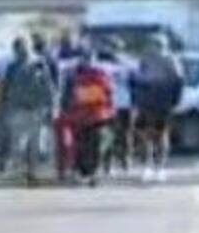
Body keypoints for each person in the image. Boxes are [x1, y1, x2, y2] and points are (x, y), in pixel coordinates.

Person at [0, 36, 56, 183]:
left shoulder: (39, 64)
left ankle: (32, 172)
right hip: (17, 109)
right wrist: (3, 107)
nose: (20, 50)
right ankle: (21, 171)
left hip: (36, 109)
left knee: (35, 144)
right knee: (18, 144)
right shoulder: (12, 66)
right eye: (17, 48)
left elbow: (48, 85)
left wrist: (51, 106)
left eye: (22, 46)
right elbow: (5, 88)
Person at [132, 34, 185, 183]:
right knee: (145, 135)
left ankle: (160, 167)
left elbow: (179, 81)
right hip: (146, 101)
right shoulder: (144, 59)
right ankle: (148, 166)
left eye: (157, 44)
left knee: (161, 135)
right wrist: (137, 96)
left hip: (163, 102)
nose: (154, 47)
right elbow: (137, 79)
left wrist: (175, 100)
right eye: (152, 44)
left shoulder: (171, 60)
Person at [61, 46, 114, 187]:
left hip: (94, 115)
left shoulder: (99, 74)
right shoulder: (75, 75)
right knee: (83, 145)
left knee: (93, 145)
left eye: (90, 57)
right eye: (86, 57)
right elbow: (67, 95)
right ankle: (85, 172)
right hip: (83, 116)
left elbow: (108, 93)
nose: (88, 60)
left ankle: (91, 173)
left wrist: (109, 110)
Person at [94, 38, 134, 175]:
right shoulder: (127, 63)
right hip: (114, 103)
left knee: (120, 134)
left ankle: (121, 161)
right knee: (113, 134)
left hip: (119, 103)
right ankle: (111, 163)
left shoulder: (100, 65)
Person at [53, 30, 84, 181]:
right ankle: (63, 169)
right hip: (63, 106)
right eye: (66, 43)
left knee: (74, 140)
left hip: (78, 106)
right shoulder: (55, 61)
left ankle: (71, 169)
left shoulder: (81, 62)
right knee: (64, 141)